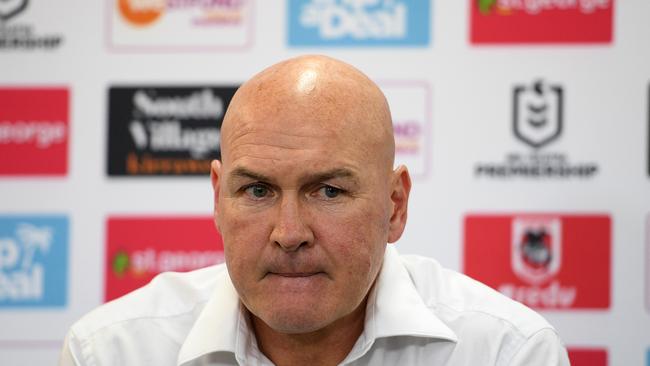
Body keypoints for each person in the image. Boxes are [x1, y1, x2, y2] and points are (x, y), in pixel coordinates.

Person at [59, 55, 570, 366]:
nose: (288, 233)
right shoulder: (112, 353)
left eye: (327, 191)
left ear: (395, 206)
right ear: (217, 199)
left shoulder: (506, 353)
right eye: (256, 191)